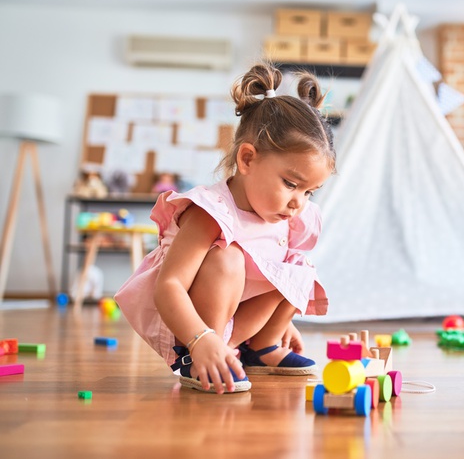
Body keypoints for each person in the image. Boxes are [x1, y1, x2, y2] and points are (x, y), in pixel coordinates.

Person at [115, 62, 335, 395]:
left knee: (299, 266)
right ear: (247, 159)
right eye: (291, 184)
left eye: (309, 192)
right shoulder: (210, 212)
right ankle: (200, 356)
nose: (298, 203)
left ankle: (260, 347)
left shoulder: (286, 216)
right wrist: (201, 339)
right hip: (189, 324)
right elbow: (169, 285)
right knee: (228, 257)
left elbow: (272, 277)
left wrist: (279, 322)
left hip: (236, 321)